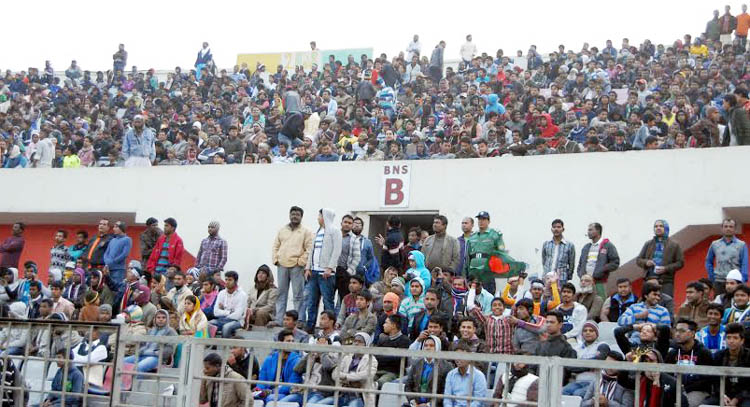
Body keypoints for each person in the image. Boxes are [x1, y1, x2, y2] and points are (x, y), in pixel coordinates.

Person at [464, 211, 525, 295]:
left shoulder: (495, 235)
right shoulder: (472, 237)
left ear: (488, 221)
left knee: (488, 298)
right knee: (472, 299)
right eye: (479, 219)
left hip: (487, 274)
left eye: (484, 219)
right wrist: (466, 274)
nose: (481, 221)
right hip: (474, 274)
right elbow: (467, 257)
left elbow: (501, 253)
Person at [272, 206, 312, 327]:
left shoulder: (306, 231)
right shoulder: (282, 230)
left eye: (297, 214)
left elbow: (309, 249)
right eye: (293, 214)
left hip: (297, 266)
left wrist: (301, 262)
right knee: (281, 294)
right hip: (282, 265)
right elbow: (275, 246)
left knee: (298, 295)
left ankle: (299, 320)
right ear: (289, 215)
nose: (294, 216)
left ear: (301, 217)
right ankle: (279, 319)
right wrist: (276, 260)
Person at [305, 208, 342, 332]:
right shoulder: (318, 232)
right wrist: (308, 268)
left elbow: (337, 250)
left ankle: (329, 329)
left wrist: (330, 267)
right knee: (311, 302)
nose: (318, 218)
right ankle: (310, 326)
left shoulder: (335, 231)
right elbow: (312, 251)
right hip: (314, 272)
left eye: (319, 216)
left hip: (326, 273)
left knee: (327, 302)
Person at [665, 318, 714, 406]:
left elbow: (707, 380)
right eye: (676, 330)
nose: (677, 334)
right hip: (675, 389)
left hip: (697, 390)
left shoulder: (703, 353)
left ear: (692, 333)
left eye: (682, 331)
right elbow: (667, 374)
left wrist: (685, 388)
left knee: (685, 404)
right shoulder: (672, 353)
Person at [702, 323, 750, 406]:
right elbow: (714, 380)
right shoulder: (719, 355)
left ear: (742, 340)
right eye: (728, 338)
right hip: (723, 394)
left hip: (745, 395)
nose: (731, 341)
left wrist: (737, 398)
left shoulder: (749, 356)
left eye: (735, 338)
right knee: (705, 405)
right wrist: (722, 395)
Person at [635, 219, 684, 296]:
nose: (658, 228)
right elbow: (638, 260)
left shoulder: (674, 245)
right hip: (649, 279)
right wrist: (646, 262)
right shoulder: (648, 243)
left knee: (666, 302)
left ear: (666, 228)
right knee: (648, 303)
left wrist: (665, 268)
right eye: (656, 226)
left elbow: (680, 263)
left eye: (661, 226)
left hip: (666, 280)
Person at [256, 329, 303, 405]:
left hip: (289, 393)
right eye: (288, 341)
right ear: (280, 343)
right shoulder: (269, 359)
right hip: (269, 392)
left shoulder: (297, 361)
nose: (291, 344)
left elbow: (291, 385)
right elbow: (262, 379)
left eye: (292, 341)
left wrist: (271, 392)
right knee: (251, 397)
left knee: (271, 398)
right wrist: (260, 390)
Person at [404, 334, 453, 407]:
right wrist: (413, 402)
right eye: (425, 346)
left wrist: (428, 405)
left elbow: (445, 392)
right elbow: (408, 386)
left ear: (437, 347)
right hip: (416, 404)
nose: (428, 348)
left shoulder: (446, 366)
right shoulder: (416, 363)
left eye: (431, 346)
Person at [332, 332, 378, 407]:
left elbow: (366, 375)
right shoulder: (347, 357)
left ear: (366, 344)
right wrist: (352, 378)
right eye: (355, 341)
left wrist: (345, 377)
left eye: (360, 342)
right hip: (342, 395)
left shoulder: (372, 359)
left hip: (359, 397)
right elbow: (334, 374)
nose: (356, 343)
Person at [577, 222, 620, 300]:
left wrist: (602, 270)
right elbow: (580, 263)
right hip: (585, 283)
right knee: (584, 303)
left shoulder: (607, 245)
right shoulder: (586, 247)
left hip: (599, 282)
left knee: (600, 302)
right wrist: (581, 274)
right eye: (588, 230)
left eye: (590, 230)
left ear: (598, 231)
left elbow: (615, 262)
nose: (588, 232)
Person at [706, 219, 748, 295]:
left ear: (735, 229)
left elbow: (744, 263)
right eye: (726, 226)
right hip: (719, 281)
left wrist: (743, 280)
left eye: (731, 227)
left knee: (736, 303)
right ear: (722, 228)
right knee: (719, 305)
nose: (728, 228)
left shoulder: (741, 245)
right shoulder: (715, 244)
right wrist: (711, 277)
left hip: (735, 281)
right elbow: (708, 261)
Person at [443, 340, 487, 407]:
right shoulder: (450, 374)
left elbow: (478, 401)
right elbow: (447, 399)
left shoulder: (479, 376)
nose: (458, 358)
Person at [374, 313, 410, 386]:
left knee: (381, 383)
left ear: (393, 325)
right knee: (366, 380)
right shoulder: (383, 340)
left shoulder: (404, 340)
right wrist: (388, 356)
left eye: (386, 323)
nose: (383, 325)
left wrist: (384, 356)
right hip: (379, 371)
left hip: (394, 372)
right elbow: (376, 356)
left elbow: (398, 359)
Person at [210, 270, 247, 338]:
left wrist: (223, 312)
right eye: (226, 279)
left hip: (237, 321)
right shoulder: (221, 293)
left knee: (226, 328)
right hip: (222, 319)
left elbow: (237, 315)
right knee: (208, 325)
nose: (227, 282)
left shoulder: (242, 295)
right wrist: (229, 312)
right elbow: (215, 312)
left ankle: (226, 348)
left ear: (235, 281)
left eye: (230, 280)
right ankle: (212, 347)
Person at [541, 219, 576, 283]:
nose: (556, 229)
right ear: (551, 229)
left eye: (559, 227)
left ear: (563, 229)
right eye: (554, 227)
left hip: (561, 278)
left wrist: (568, 276)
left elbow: (571, 263)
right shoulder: (546, 244)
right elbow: (544, 260)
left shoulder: (569, 245)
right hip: (547, 278)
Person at [103, 221, 132, 294]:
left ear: (122, 228)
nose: (113, 229)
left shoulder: (127, 239)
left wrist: (114, 261)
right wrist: (106, 261)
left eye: (116, 227)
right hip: (109, 268)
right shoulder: (112, 240)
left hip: (118, 269)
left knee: (116, 289)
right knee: (107, 289)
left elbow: (124, 254)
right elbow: (106, 252)